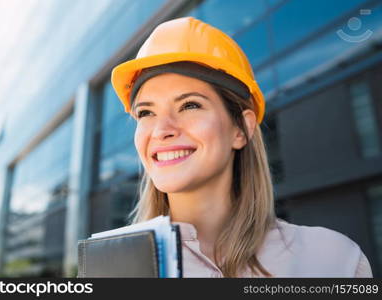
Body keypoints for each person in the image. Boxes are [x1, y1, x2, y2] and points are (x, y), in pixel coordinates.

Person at [110, 17, 373, 278]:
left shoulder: (333, 261)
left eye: (190, 105)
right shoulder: (112, 271)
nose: (161, 130)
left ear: (241, 129)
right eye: (145, 112)